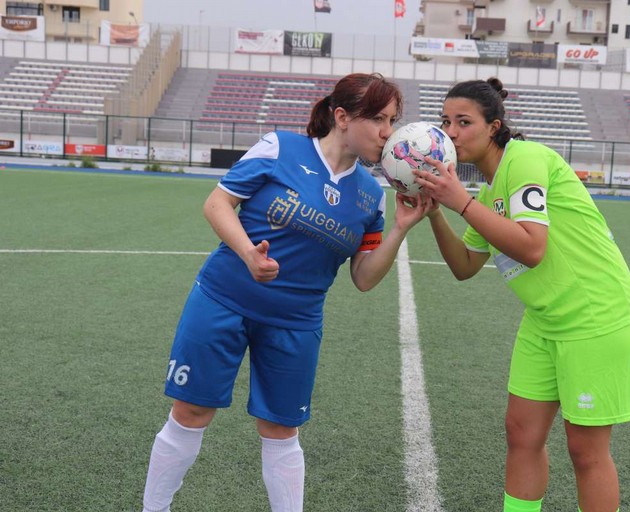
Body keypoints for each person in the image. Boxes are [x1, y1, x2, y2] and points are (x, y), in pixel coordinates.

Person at [141, 73, 431, 512]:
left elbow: (364, 277)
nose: (388, 132)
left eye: (392, 119)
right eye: (377, 118)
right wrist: (248, 255)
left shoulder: (372, 195)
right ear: (342, 117)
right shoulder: (280, 148)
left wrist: (400, 228)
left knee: (281, 430)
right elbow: (217, 204)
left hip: (296, 323)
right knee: (191, 414)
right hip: (222, 300)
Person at [413, 78, 630, 512]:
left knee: (586, 450)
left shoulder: (526, 159)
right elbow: (464, 266)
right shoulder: (485, 191)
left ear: (494, 126)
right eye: (445, 122)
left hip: (595, 316)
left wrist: (460, 201)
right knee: (521, 435)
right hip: (545, 320)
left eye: (464, 122)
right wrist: (436, 212)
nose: (451, 133)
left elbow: (532, 248)